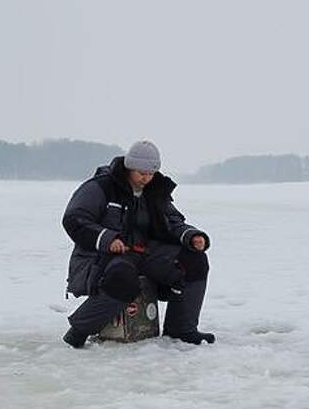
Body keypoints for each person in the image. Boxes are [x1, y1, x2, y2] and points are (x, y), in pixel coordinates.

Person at [61, 140, 215, 347]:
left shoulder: (155, 190)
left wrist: (191, 236)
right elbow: (74, 219)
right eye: (141, 173)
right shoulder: (101, 186)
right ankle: (79, 331)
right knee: (123, 278)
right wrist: (108, 239)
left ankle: (181, 329)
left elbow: (173, 222)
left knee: (193, 261)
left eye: (151, 173)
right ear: (129, 167)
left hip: (146, 252)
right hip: (106, 256)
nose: (146, 178)